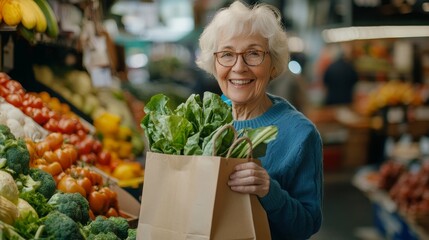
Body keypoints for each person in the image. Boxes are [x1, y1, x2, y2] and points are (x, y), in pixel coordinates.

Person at [196, 1, 323, 239]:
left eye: (253, 53)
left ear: (273, 63)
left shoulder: (300, 134)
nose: (239, 67)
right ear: (214, 63)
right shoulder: (202, 121)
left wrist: (268, 191)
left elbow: (308, 224)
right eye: (227, 54)